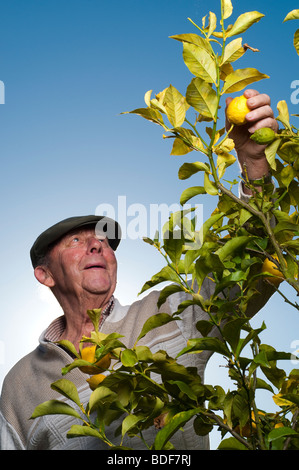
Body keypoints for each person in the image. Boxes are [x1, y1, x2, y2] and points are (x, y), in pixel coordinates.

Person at [0, 90, 278, 450]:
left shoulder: (167, 313)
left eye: (102, 240)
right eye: (76, 242)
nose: (97, 244)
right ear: (45, 275)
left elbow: (250, 268)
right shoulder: (20, 386)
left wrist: (254, 166)